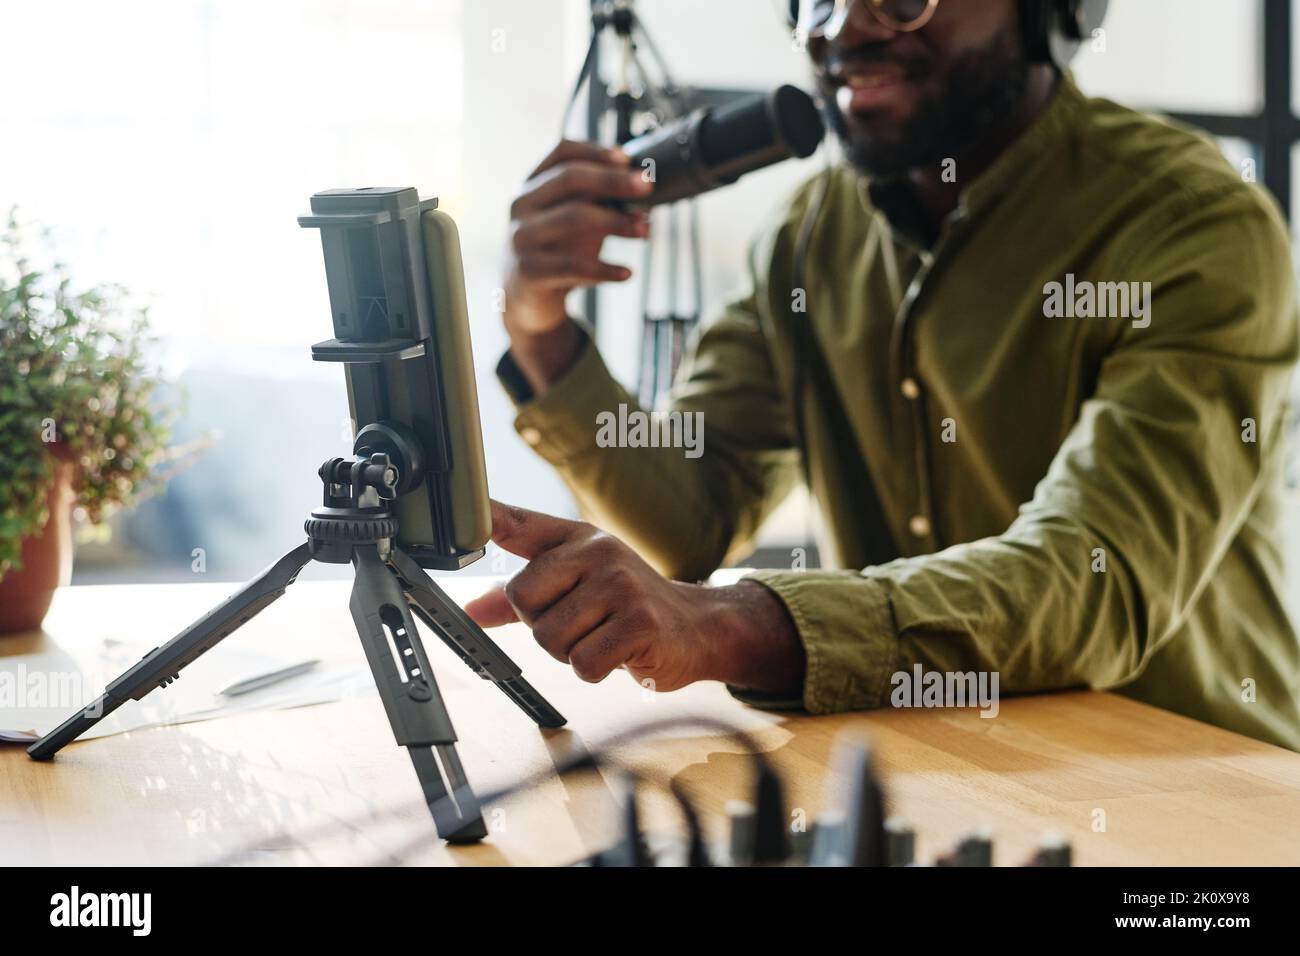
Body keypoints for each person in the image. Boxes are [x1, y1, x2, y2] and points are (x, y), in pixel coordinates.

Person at [462, 0, 1300, 750]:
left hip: (1200, 798)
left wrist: (727, 622)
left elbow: (1094, 581)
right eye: (815, 0)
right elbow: (689, 518)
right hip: (939, 777)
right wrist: (541, 330)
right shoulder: (810, 235)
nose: (844, 27)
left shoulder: (1195, 225)